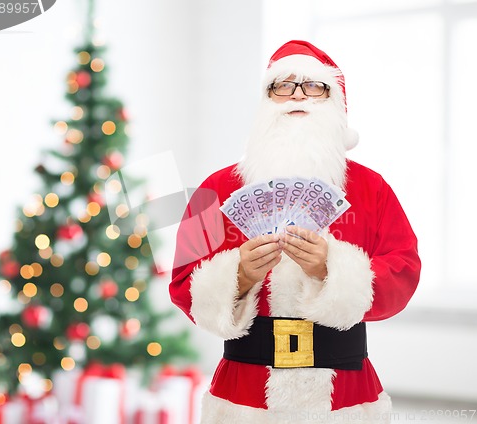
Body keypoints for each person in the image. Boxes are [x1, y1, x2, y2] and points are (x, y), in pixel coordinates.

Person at [169, 40, 421, 423]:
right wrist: (238, 276)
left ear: (335, 103)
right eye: (283, 86)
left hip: (346, 395)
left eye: (314, 86)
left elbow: (404, 273)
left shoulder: (374, 190)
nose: (297, 96)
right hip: (243, 396)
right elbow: (182, 281)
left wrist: (332, 270)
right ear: (265, 101)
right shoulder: (215, 189)